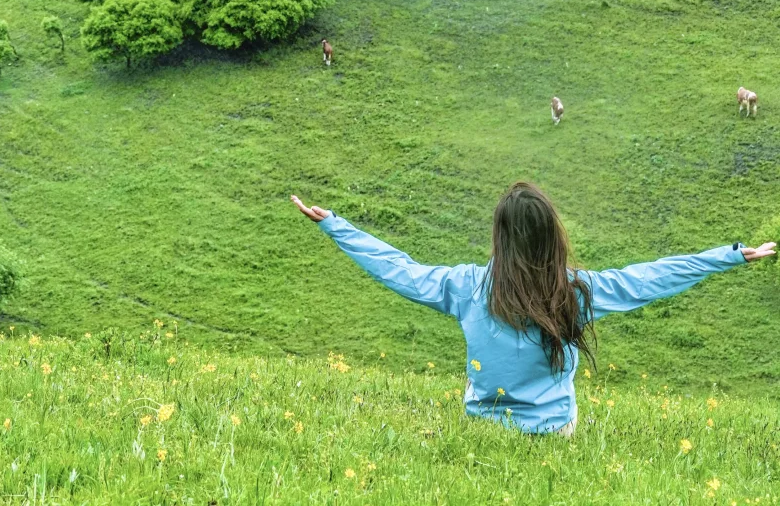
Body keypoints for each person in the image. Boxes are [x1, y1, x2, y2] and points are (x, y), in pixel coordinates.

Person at [292, 180, 775, 434]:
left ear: (499, 238)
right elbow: (647, 279)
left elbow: (401, 269)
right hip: (554, 432)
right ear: (553, 238)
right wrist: (728, 256)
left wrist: (336, 225)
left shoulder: (466, 287)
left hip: (479, 425)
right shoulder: (576, 293)